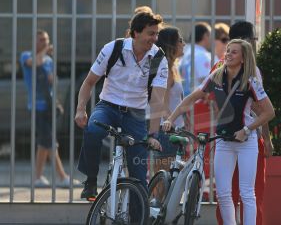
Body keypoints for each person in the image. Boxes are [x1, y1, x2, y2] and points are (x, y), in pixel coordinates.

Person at [163, 39, 275, 225]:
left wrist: (247, 130)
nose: (228, 54)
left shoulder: (251, 80)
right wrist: (170, 119)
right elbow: (191, 98)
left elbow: (269, 112)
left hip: (246, 142)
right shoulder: (216, 76)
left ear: (243, 58)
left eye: (234, 52)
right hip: (223, 141)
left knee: (247, 193)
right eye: (228, 51)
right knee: (223, 193)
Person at [75, 12, 168, 199]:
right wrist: (80, 110)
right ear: (136, 33)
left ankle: (138, 218)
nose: (155, 38)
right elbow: (89, 82)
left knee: (139, 176)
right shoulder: (113, 48)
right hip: (108, 106)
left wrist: (152, 134)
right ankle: (91, 180)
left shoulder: (159, 58)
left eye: (156, 34)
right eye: (151, 33)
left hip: (136, 114)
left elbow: (157, 100)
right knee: (93, 130)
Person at [213, 21, 273, 225]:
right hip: (246, 136)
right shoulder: (250, 69)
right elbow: (260, 108)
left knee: (225, 192)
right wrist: (266, 138)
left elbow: (211, 102)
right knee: (251, 192)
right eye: (254, 39)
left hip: (224, 136)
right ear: (248, 40)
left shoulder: (218, 67)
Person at [20, 30, 79, 188]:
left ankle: (38, 178)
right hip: (37, 106)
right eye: (41, 40)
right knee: (50, 142)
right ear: (34, 41)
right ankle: (62, 177)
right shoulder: (26, 56)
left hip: (49, 105)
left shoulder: (49, 60)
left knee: (44, 143)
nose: (44, 42)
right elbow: (34, 63)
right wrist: (45, 51)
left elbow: (52, 81)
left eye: (46, 40)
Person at [152, 26, 186, 172]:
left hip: (173, 130)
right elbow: (160, 104)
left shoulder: (172, 67)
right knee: (163, 184)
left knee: (171, 182)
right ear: (171, 44)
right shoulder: (165, 70)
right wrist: (172, 124)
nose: (183, 44)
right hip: (167, 132)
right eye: (180, 41)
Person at [179, 22, 212, 96]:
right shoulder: (202, 55)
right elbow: (205, 80)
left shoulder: (185, 51)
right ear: (205, 36)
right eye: (210, 35)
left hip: (184, 96)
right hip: (196, 98)